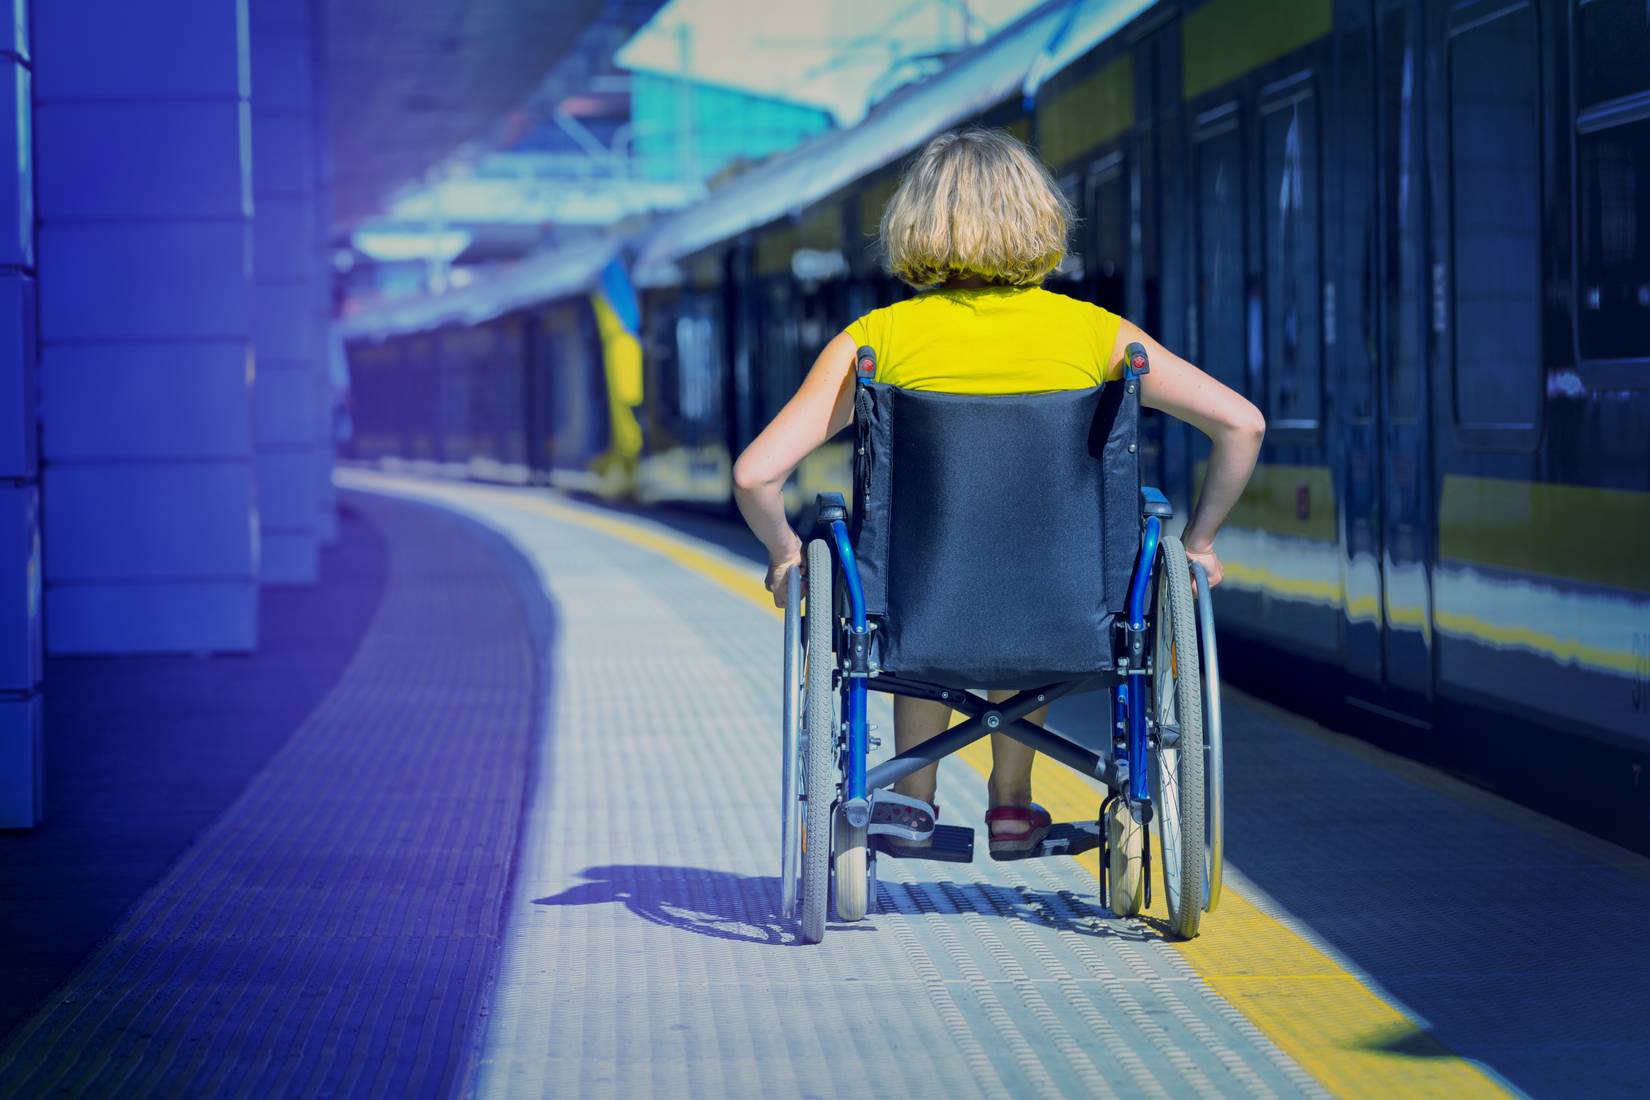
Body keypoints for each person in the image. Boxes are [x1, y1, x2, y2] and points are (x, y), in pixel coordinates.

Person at [732, 127, 1264, 857]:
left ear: (915, 223)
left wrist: (786, 553)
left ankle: (910, 798)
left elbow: (755, 474)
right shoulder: (1098, 335)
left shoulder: (875, 341)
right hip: (1068, 614)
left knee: (899, 597)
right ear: (1038, 216)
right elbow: (1242, 424)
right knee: (1033, 578)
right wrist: (1199, 544)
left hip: (920, 616)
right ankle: (1013, 805)